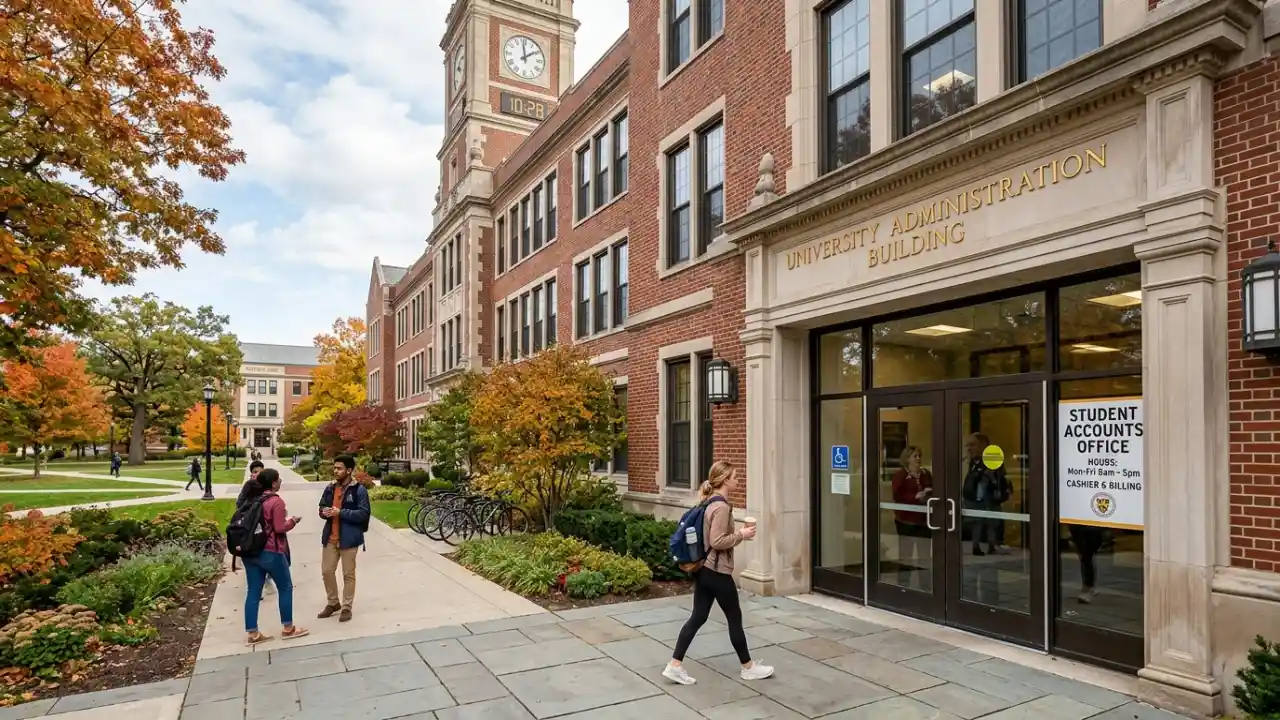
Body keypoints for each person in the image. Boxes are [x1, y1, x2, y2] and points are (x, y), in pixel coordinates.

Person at [663, 461, 774, 686]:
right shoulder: (721, 506)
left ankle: (674, 665)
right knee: (734, 618)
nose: (738, 479)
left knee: (698, 617)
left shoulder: (709, 502)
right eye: (734, 476)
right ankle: (748, 668)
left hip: (703, 570)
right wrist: (741, 534)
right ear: (724, 480)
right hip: (716, 572)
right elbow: (717, 541)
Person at [240, 468, 308, 646]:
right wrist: (292, 520)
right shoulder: (275, 502)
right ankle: (288, 628)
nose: (281, 482)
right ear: (273, 483)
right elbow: (279, 528)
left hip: (251, 552)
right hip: (271, 551)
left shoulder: (253, 498)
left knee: (253, 591)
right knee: (285, 587)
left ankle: (253, 633)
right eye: (278, 479)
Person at [317, 455, 370, 623]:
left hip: (349, 539)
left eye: (339, 468)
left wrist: (341, 513)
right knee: (327, 571)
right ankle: (333, 603)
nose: (335, 471)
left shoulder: (359, 490)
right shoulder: (330, 488)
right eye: (334, 468)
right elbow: (322, 506)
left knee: (348, 574)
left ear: (348, 470)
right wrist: (323, 512)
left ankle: (347, 606)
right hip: (331, 538)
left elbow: (363, 513)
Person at [890, 445, 933, 588]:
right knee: (906, 555)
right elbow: (897, 495)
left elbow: (935, 490)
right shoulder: (900, 475)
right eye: (915, 456)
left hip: (924, 521)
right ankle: (903, 585)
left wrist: (928, 493)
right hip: (906, 521)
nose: (918, 459)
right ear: (907, 458)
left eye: (919, 455)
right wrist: (915, 497)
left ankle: (926, 585)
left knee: (924, 556)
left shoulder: (926, 474)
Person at [962, 433, 1011, 556]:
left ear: (983, 445)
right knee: (977, 522)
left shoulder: (992, 459)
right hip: (975, 499)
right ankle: (978, 545)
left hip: (989, 499)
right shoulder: (972, 462)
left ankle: (993, 545)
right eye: (968, 445)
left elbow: (998, 479)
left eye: (973, 445)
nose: (969, 448)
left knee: (992, 521)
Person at [236, 460, 274, 596]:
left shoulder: (267, 486)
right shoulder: (249, 486)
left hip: (265, 527)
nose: (258, 474)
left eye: (260, 472)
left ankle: (267, 580)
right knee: (255, 555)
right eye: (255, 472)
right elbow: (239, 504)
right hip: (252, 527)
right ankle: (258, 586)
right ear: (251, 474)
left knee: (267, 555)